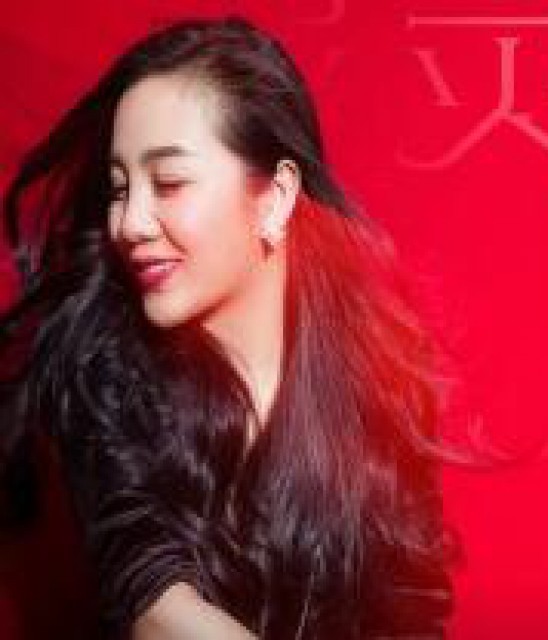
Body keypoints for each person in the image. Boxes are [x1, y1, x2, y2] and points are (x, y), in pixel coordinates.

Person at [0, 15, 461, 640]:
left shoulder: (374, 382)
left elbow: (414, 613)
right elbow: (155, 604)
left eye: (168, 183)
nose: (129, 222)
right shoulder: (102, 365)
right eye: (118, 189)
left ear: (275, 197)